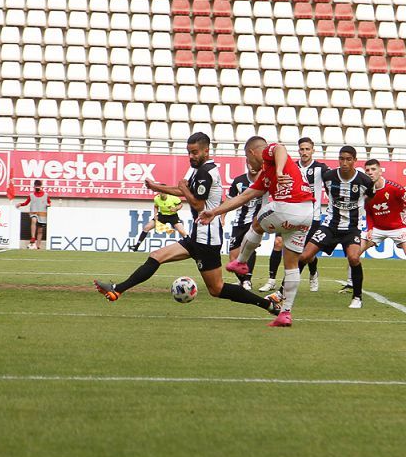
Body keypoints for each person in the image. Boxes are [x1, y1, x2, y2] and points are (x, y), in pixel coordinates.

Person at [93, 133, 280, 318]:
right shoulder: (198, 170)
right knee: (156, 256)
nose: (191, 156)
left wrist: (182, 188)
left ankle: (268, 304)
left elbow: (197, 204)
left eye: (195, 152)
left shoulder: (206, 172)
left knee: (217, 289)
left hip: (207, 238)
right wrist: (157, 187)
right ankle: (117, 290)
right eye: (189, 152)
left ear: (206, 151)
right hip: (198, 234)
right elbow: (183, 189)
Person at [198, 137, 313, 327]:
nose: (248, 162)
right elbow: (244, 196)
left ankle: (241, 263)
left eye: (246, 157)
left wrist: (278, 169)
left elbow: (280, 148)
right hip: (306, 213)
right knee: (291, 265)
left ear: (251, 153)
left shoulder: (269, 156)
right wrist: (215, 212)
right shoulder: (265, 176)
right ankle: (285, 313)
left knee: (257, 223)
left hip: (288, 205)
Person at [299, 145, 374, 309]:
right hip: (330, 225)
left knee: (354, 258)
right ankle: (284, 291)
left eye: (348, 159)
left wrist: (362, 213)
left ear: (355, 160)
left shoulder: (365, 181)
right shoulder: (329, 176)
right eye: (341, 158)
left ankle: (357, 297)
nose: (344, 162)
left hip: (352, 228)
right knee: (304, 256)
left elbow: (370, 197)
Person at [360, 159, 406, 296]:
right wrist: (369, 228)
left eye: (373, 169)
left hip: (398, 228)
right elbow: (369, 212)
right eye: (367, 170)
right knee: (355, 252)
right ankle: (349, 284)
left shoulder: (394, 188)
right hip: (377, 229)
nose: (370, 172)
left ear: (380, 170)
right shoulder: (366, 192)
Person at [296, 137, 329, 292]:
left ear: (313, 151)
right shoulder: (292, 167)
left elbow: (331, 183)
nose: (304, 152)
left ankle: (312, 273)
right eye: (302, 149)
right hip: (294, 216)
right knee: (294, 251)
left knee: (308, 253)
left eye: (307, 149)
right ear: (298, 150)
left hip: (313, 217)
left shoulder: (321, 168)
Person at [227, 164, 264, 289]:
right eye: (250, 163)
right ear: (247, 163)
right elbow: (230, 200)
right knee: (233, 256)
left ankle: (247, 280)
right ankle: (242, 280)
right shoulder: (239, 181)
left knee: (250, 248)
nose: (252, 166)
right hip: (239, 222)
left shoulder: (265, 181)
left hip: (256, 222)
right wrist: (222, 216)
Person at [15, 179, 51, 249]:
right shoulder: (31, 195)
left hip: (42, 214)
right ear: (34, 187)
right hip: (34, 212)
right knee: (34, 220)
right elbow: (26, 203)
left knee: (40, 230)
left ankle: (38, 246)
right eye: (36, 187)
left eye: (38, 187)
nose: (37, 188)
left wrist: (48, 205)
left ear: (41, 187)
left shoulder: (46, 195)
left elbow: (49, 203)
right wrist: (20, 204)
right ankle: (33, 237)